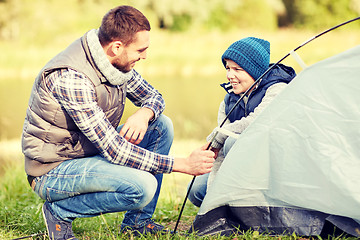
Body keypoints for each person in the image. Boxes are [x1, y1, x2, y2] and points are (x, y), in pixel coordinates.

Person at [21, 5, 214, 240]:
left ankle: (137, 222)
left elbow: (154, 97)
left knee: (161, 126)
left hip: (86, 153)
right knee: (143, 187)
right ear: (117, 47)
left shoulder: (113, 63)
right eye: (141, 50)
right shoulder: (72, 78)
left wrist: (145, 113)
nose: (144, 56)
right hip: (53, 170)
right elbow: (114, 150)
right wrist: (182, 164)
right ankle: (59, 212)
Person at [188, 37, 296, 207]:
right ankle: (234, 209)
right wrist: (212, 200)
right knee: (196, 190)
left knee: (233, 140)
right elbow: (220, 151)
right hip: (240, 168)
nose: (230, 75)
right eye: (228, 68)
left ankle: (259, 207)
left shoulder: (277, 89)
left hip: (276, 170)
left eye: (237, 69)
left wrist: (220, 134)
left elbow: (257, 122)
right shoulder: (228, 101)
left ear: (255, 71)